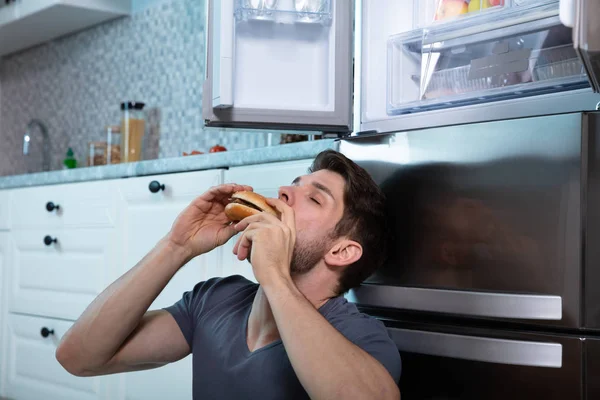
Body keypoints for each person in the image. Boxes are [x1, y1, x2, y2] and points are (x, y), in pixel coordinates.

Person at [55, 149, 402, 399]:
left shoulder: (359, 336)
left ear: (341, 251)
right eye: (295, 183)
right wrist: (177, 245)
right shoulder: (215, 300)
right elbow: (78, 357)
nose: (285, 192)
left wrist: (275, 278)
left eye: (314, 199)